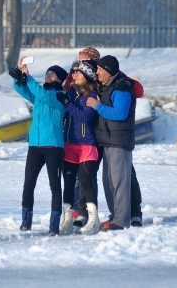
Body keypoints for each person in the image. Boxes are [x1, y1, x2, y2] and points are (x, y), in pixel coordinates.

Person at [68, 46, 144, 226]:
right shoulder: (79, 73)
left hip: (113, 135)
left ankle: (133, 213)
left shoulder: (110, 75)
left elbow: (138, 91)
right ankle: (84, 212)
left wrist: (129, 83)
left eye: (85, 61)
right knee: (88, 175)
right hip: (93, 135)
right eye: (79, 60)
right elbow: (66, 88)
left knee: (124, 176)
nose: (81, 64)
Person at [11, 59, 67, 236]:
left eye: (52, 73)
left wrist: (28, 77)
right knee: (28, 184)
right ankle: (26, 221)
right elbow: (22, 90)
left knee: (55, 186)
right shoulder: (40, 96)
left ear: (60, 79)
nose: (48, 75)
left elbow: (42, 95)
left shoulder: (60, 96)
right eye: (47, 73)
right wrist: (19, 76)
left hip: (53, 146)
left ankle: (54, 224)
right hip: (35, 145)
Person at [87, 55, 136, 231]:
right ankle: (115, 216)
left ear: (108, 71)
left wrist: (97, 106)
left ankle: (121, 220)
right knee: (109, 182)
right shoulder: (107, 87)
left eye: (100, 69)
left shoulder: (121, 89)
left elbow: (120, 114)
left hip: (119, 142)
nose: (97, 72)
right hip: (108, 141)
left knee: (119, 183)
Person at [57, 59, 101, 235]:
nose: (74, 75)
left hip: (87, 146)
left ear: (87, 76)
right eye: (73, 72)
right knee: (68, 184)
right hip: (69, 145)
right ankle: (67, 217)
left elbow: (85, 117)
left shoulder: (92, 96)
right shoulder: (71, 93)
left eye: (78, 73)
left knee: (85, 182)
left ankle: (93, 219)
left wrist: (67, 104)